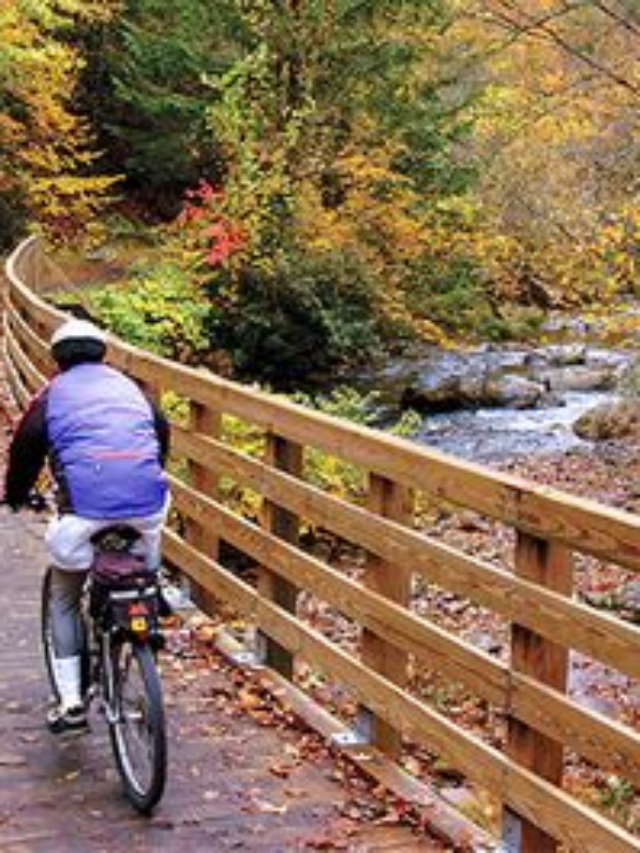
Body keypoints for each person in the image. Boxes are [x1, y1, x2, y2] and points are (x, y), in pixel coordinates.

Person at [3, 318, 170, 735]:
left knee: (64, 594)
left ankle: (72, 702)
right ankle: (152, 599)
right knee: (144, 563)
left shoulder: (52, 395)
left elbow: (24, 450)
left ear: (56, 359)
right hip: (147, 504)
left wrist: (16, 496)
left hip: (84, 513)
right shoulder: (133, 390)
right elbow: (160, 434)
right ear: (102, 352)